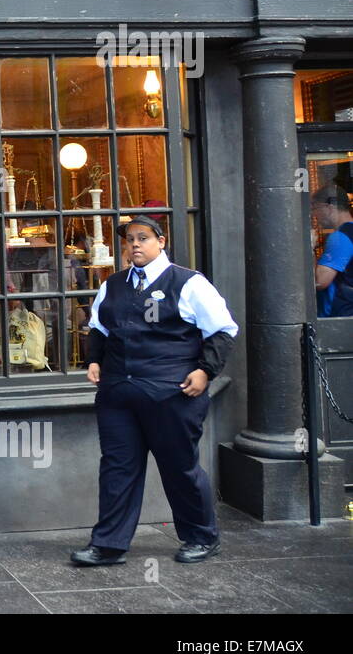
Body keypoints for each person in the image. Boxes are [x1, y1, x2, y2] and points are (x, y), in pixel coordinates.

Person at [71, 215, 238, 566]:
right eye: (129, 239)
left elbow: (222, 330)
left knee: (179, 467)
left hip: (173, 393)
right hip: (118, 394)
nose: (134, 244)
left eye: (143, 238)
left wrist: (205, 371)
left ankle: (201, 537)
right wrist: (95, 360)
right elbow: (99, 327)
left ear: (161, 242)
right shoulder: (113, 285)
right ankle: (109, 545)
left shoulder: (189, 283)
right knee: (117, 468)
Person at [311, 183, 353, 318]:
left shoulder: (340, 237)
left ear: (329, 207)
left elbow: (319, 281)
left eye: (316, 208)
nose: (314, 215)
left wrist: (310, 247)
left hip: (337, 316)